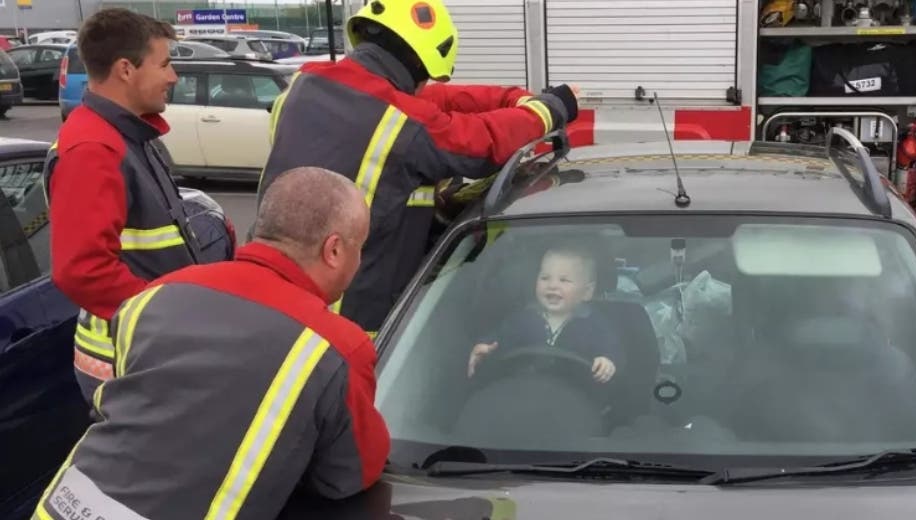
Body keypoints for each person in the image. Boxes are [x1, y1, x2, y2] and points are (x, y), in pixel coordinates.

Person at [33, 167, 390, 520]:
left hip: (61, 508)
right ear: (334, 250)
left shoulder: (154, 296)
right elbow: (346, 476)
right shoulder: (335, 348)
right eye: (360, 247)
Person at [257, 0, 580, 337]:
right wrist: (553, 107)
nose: (425, 86)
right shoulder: (398, 121)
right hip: (347, 317)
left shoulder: (303, 87)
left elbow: (431, 101)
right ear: (418, 62)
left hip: (272, 297)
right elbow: (482, 143)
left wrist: (510, 98)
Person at [44, 8, 235, 408]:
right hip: (130, 359)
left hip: (147, 349)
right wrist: (170, 316)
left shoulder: (125, 136)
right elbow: (81, 270)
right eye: (164, 64)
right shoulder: (93, 149)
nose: (173, 77)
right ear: (126, 69)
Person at [467, 243, 623, 383]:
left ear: (587, 292)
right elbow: (499, 338)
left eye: (564, 280)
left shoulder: (595, 325)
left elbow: (612, 348)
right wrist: (485, 346)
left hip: (574, 399)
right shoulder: (522, 319)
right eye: (545, 278)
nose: (552, 285)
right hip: (524, 391)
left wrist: (607, 361)